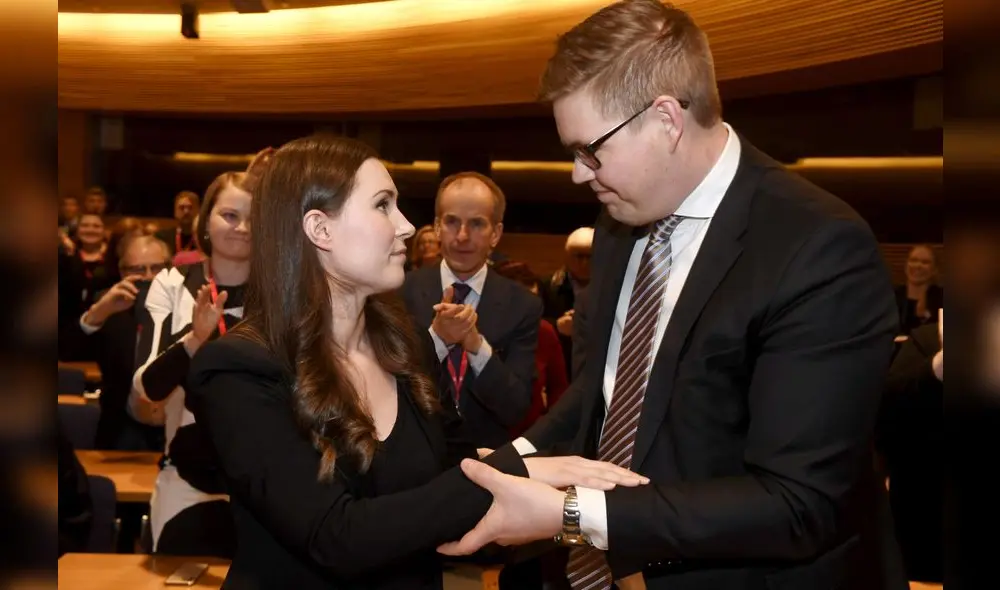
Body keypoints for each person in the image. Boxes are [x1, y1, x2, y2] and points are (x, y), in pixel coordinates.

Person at [438, 3, 903, 590]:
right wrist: (508, 461)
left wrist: (572, 514)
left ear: (665, 120)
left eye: (590, 149)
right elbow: (605, 388)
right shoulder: (617, 224)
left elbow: (797, 504)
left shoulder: (817, 246)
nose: (580, 174)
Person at [186, 135, 647, 590]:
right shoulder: (238, 369)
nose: (406, 226)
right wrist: (521, 470)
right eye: (383, 205)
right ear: (320, 229)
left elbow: (454, 475)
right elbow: (337, 537)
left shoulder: (408, 347)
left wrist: (561, 489)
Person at [128, 171, 253, 557]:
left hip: (265, 486)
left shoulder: (285, 292)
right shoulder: (171, 283)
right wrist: (195, 340)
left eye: (255, 218)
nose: (243, 228)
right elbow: (146, 387)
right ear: (205, 221)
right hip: (185, 482)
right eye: (230, 215)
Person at [400, 172, 542, 449]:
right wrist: (438, 341)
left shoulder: (523, 305)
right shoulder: (399, 293)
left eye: (477, 224)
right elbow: (387, 392)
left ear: (496, 234)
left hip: (488, 460)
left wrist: (476, 347)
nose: (462, 236)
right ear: (437, 227)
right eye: (452, 222)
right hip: (413, 456)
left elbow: (515, 408)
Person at [79, 234, 172, 451]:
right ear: (123, 273)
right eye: (138, 269)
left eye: (157, 267)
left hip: (180, 429)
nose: (149, 277)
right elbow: (69, 351)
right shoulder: (109, 307)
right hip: (124, 430)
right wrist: (98, 313)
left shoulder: (191, 306)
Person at [541, 227, 593, 377]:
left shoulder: (614, 288)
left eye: (590, 257)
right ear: (567, 256)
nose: (584, 263)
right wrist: (557, 325)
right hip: (559, 366)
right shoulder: (549, 286)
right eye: (578, 256)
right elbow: (531, 323)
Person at [893, 244, 943, 336]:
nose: (918, 266)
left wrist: (925, 315)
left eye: (925, 262)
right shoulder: (892, 296)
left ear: (935, 269)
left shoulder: (942, 298)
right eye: (913, 260)